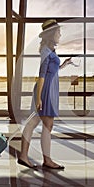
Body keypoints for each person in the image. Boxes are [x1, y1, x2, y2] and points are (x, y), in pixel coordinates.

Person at [17, 19, 71, 169]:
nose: (60, 34)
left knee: (34, 122)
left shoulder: (49, 51)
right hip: (45, 90)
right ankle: (47, 160)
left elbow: (50, 72)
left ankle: (24, 156)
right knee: (47, 124)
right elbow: (41, 76)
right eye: (58, 31)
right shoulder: (46, 52)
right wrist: (39, 97)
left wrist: (63, 65)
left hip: (48, 89)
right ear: (52, 33)